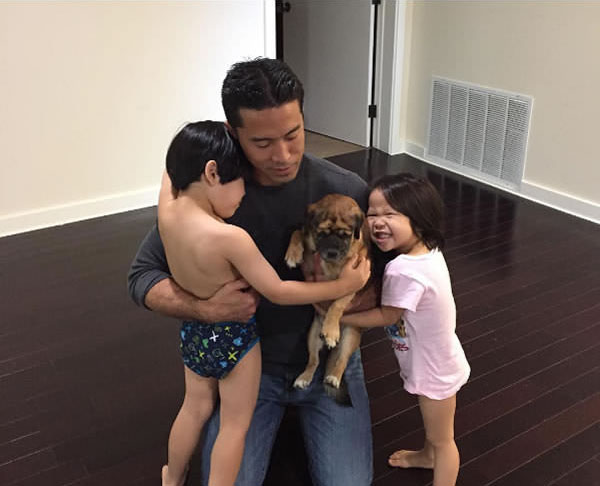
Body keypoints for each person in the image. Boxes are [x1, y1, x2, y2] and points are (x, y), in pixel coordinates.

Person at [127, 57, 374, 486]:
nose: (283, 155)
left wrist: (348, 300)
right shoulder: (212, 197)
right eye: (262, 143)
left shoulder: (346, 191)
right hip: (248, 368)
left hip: (330, 362)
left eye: (293, 134)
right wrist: (205, 309)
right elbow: (141, 277)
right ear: (233, 132)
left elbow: (392, 280)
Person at [338, 173, 471, 486]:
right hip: (438, 357)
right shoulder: (427, 251)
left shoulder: (403, 270)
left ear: (419, 219)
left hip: (434, 370)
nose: (377, 223)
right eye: (372, 214)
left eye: (390, 214)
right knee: (435, 430)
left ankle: (438, 465)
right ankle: (427, 456)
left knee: (444, 440)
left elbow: (386, 315)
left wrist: (340, 318)